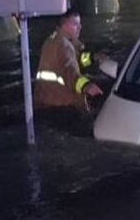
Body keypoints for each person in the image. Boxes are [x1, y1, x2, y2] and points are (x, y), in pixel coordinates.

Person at [34, 8, 104, 136]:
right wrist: (87, 86)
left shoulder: (53, 40)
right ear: (64, 25)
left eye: (80, 24)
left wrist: (92, 58)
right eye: (75, 24)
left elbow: (76, 61)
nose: (80, 28)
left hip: (45, 102)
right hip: (62, 106)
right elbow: (71, 73)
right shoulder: (64, 46)